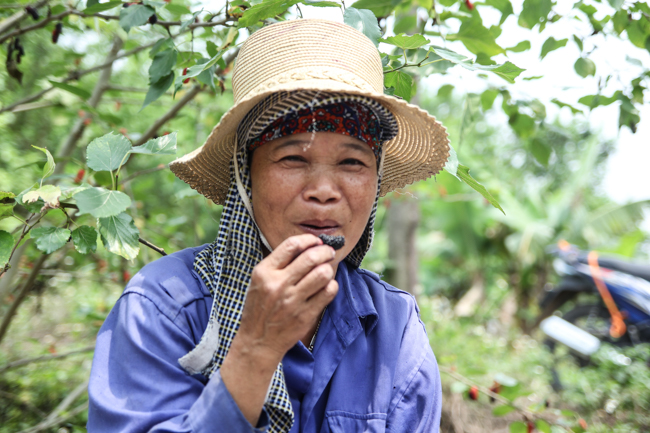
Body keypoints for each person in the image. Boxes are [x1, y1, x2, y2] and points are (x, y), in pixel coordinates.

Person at [87, 18, 450, 433]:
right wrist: (255, 350)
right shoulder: (163, 309)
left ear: (376, 181)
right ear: (246, 177)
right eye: (293, 158)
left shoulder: (394, 325)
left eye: (353, 162)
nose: (324, 191)